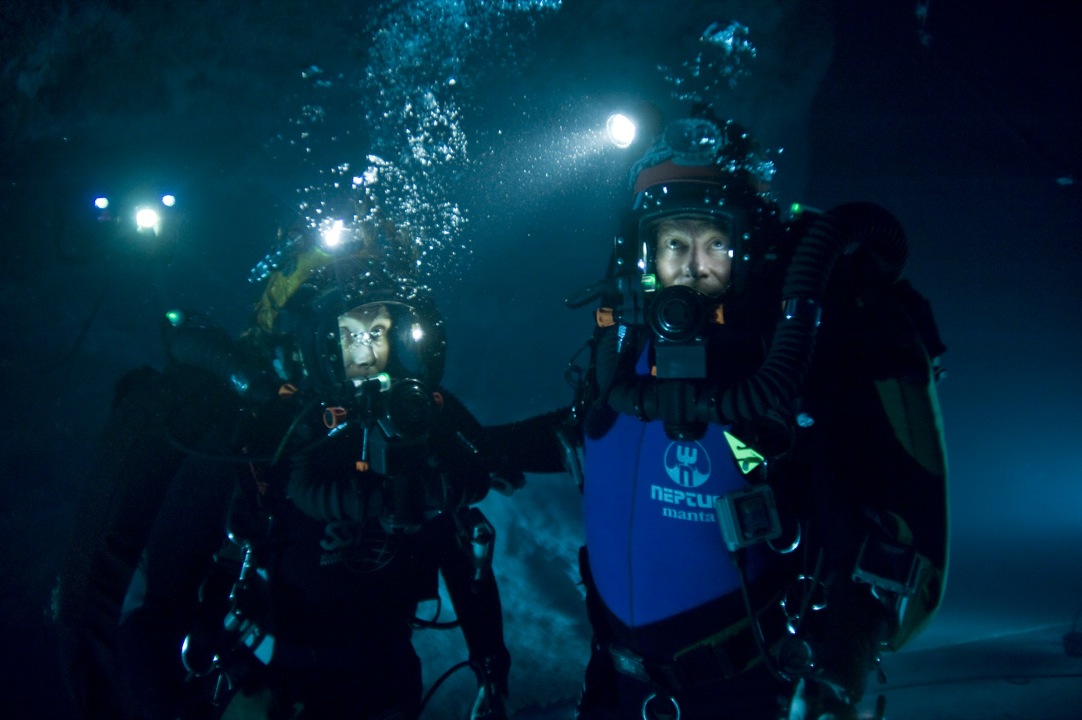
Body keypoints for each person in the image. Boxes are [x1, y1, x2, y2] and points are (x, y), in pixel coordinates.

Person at [54, 225, 530, 720]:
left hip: (390, 685)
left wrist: (491, 662)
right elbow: (152, 621)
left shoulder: (418, 430)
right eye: (350, 335)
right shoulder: (252, 447)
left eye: (381, 332)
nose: (370, 355)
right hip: (276, 689)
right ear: (307, 344)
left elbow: (464, 552)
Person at [563, 112, 950, 720]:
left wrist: (836, 678)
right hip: (616, 685)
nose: (692, 267)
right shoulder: (620, 356)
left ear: (748, 249)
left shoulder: (788, 375)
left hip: (748, 687)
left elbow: (872, 541)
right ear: (641, 253)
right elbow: (584, 434)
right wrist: (472, 448)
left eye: (714, 242)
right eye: (673, 244)